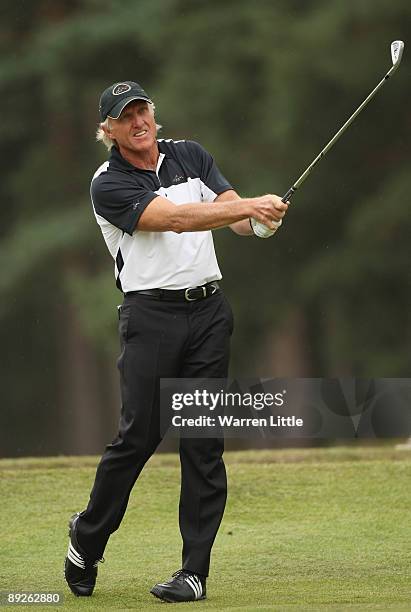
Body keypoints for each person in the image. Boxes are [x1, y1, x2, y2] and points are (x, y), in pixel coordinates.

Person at [64, 80, 288, 603]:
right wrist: (249, 207)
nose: (138, 120)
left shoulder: (190, 154)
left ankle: (194, 572)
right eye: (125, 116)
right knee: (139, 438)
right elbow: (179, 220)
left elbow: (231, 216)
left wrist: (261, 223)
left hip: (209, 313)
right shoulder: (108, 183)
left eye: (142, 109)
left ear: (153, 113)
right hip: (151, 318)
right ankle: (88, 536)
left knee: (204, 441)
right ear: (109, 130)